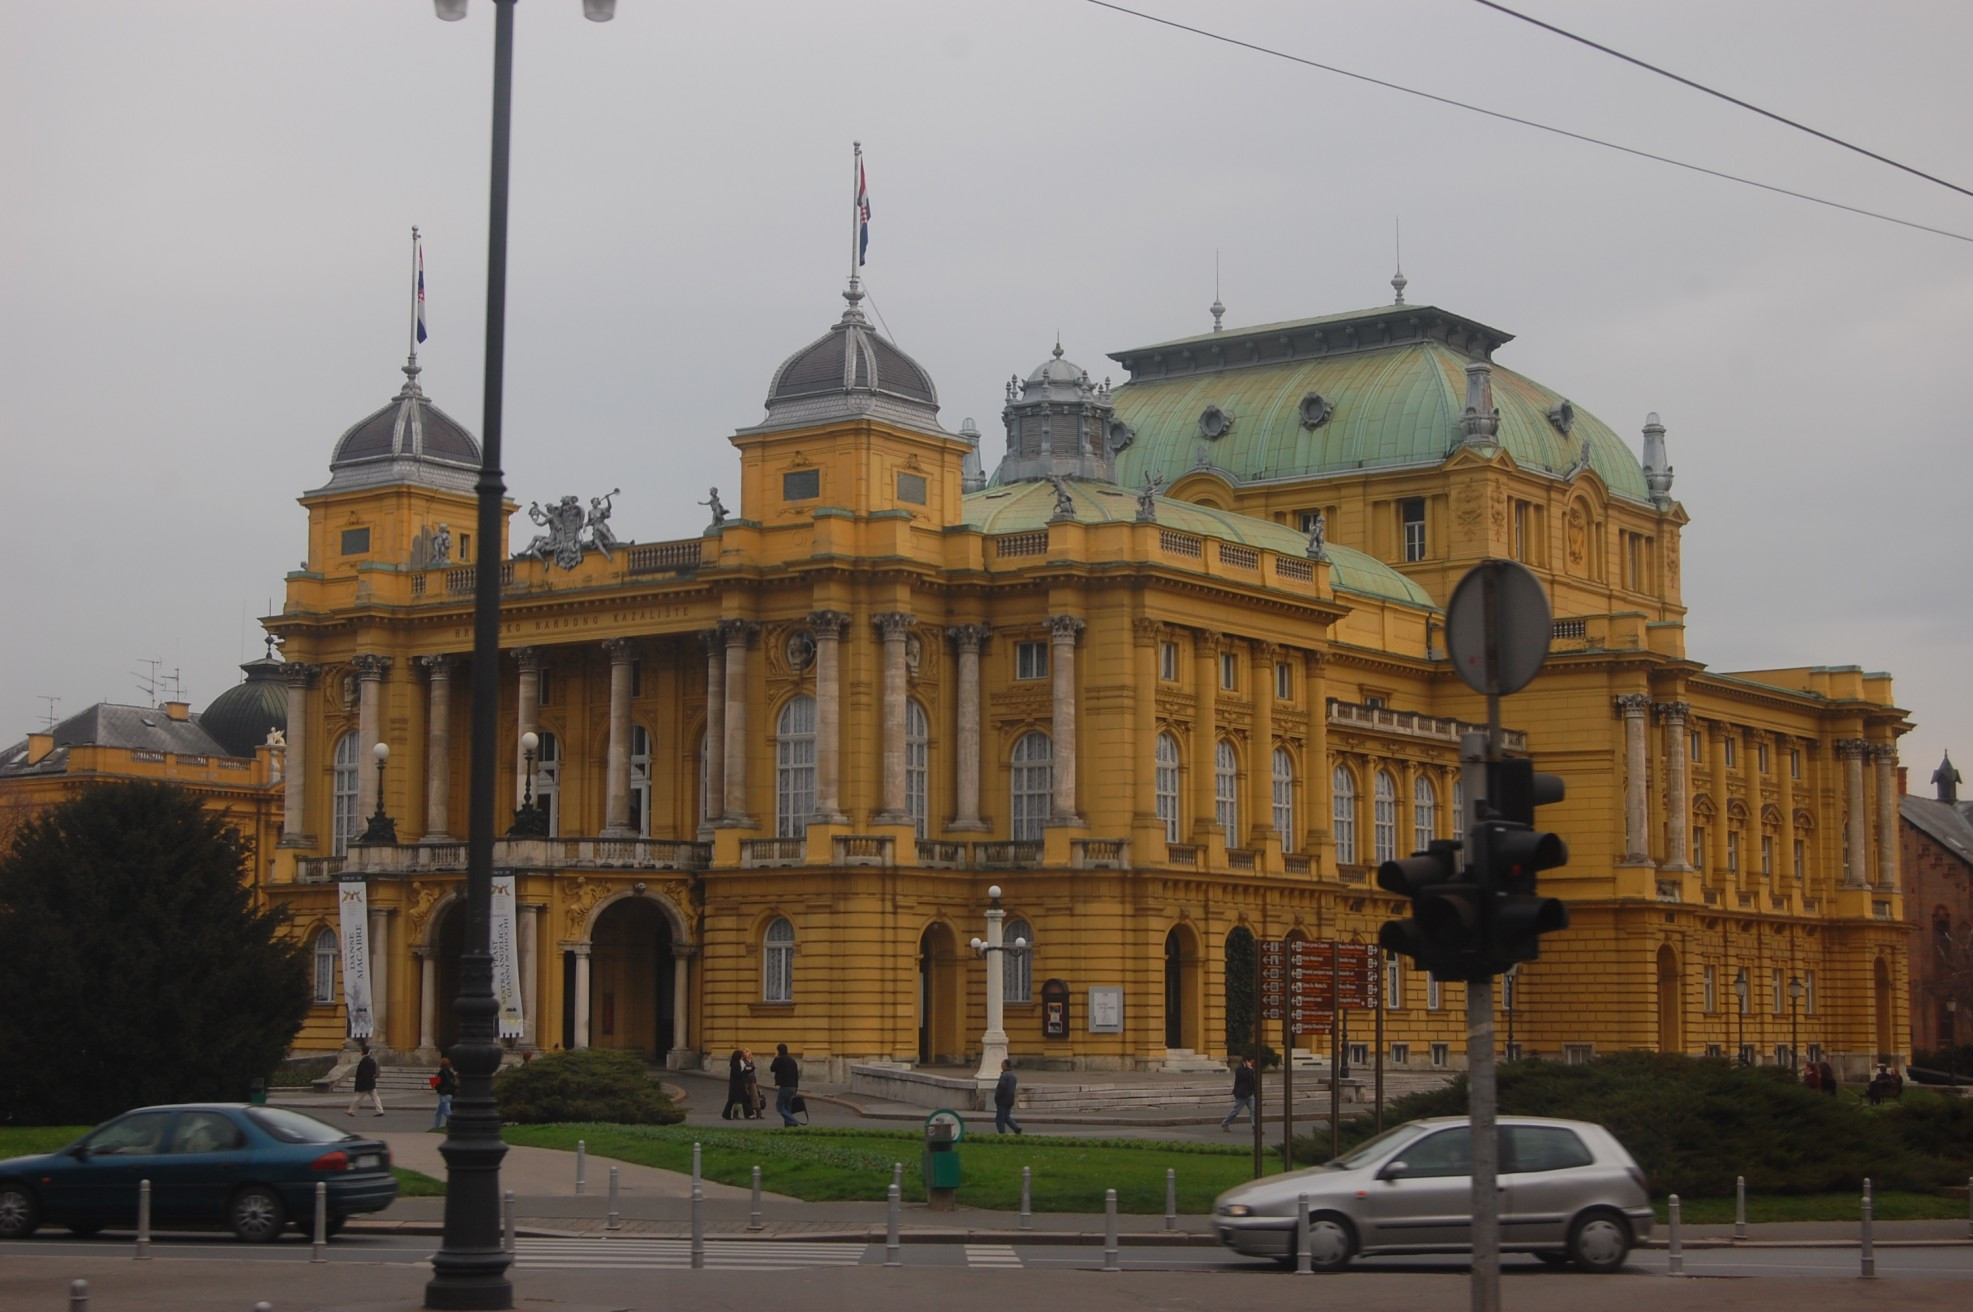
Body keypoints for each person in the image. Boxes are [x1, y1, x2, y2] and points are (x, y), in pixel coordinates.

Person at [1220, 1055, 1258, 1131]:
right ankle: (1225, 1123)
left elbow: (1252, 1081)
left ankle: (1255, 1127)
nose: (1251, 1064)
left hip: (1250, 1093)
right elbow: (1245, 1077)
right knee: (1236, 1111)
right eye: (1250, 1062)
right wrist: (1250, 1069)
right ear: (1246, 1061)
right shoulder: (1240, 1069)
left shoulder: (1250, 1070)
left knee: (1253, 1110)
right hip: (1242, 1094)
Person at [769, 1043, 801, 1127]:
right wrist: (796, 1087)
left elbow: (772, 1069)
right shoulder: (792, 1060)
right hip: (793, 1086)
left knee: (779, 1106)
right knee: (788, 1107)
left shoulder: (779, 1059)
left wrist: (775, 1059)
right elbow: (796, 1075)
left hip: (784, 1086)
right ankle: (788, 1126)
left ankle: (793, 1121)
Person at [347, 1044, 383, 1117]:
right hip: (371, 1082)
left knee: (358, 1097)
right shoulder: (371, 1060)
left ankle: (351, 1111)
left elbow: (363, 1073)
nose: (360, 1052)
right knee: (375, 1097)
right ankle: (380, 1110)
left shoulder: (364, 1061)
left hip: (364, 1083)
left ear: (363, 1052)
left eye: (361, 1051)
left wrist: (360, 1082)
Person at [993, 1059, 1024, 1135]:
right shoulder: (1013, 1076)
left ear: (1005, 1065)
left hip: (1002, 1100)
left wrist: (996, 1097)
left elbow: (1001, 1088)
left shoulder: (1004, 1076)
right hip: (1010, 1100)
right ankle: (1016, 1128)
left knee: (1000, 1119)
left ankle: (1002, 1134)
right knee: (1006, 1116)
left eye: (1002, 1064)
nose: (1001, 1065)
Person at [431, 1057, 457, 1130]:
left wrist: (438, 1089)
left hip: (443, 1094)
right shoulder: (450, 1073)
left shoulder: (441, 1073)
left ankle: (455, 1123)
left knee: (447, 1112)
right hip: (450, 1093)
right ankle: (436, 1126)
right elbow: (453, 1082)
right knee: (439, 1112)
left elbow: (437, 1085)